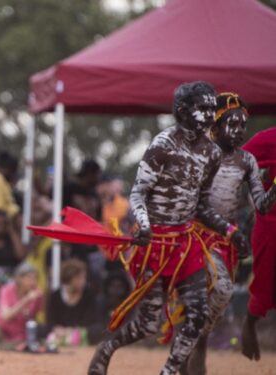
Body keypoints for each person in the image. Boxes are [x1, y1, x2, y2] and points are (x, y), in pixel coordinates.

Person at [88, 81, 247, 375]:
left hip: (186, 245)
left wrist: (230, 231)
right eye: (203, 108)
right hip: (153, 246)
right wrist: (145, 226)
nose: (210, 115)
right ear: (183, 111)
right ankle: (107, 348)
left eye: (213, 109)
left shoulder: (211, 154)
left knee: (197, 315)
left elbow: (200, 205)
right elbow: (137, 193)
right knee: (148, 323)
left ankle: (170, 372)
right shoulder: (163, 145)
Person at [180, 93, 274, 374]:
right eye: (232, 124)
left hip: (224, 239)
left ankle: (200, 338)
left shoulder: (247, 161)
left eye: (243, 125)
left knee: (222, 291)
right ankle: (188, 349)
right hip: (192, 233)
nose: (239, 131)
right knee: (190, 295)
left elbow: (261, 204)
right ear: (215, 126)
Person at [239, 126, 276, 362]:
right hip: (271, 224)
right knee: (264, 288)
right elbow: (234, 165)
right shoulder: (270, 139)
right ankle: (250, 321)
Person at [0, 262, 43, 346]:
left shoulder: (37, 294)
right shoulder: (7, 290)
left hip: (21, 331)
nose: (33, 282)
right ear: (19, 279)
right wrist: (26, 300)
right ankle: (2, 344)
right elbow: (6, 316)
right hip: (2, 327)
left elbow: (34, 318)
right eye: (29, 278)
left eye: (35, 278)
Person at [46, 259, 97, 346]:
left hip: (80, 332)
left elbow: (90, 319)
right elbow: (51, 319)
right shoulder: (55, 295)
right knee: (40, 329)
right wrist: (56, 329)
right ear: (68, 279)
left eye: (84, 277)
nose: (83, 281)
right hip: (59, 332)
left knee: (97, 330)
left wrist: (70, 331)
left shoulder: (89, 294)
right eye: (79, 278)